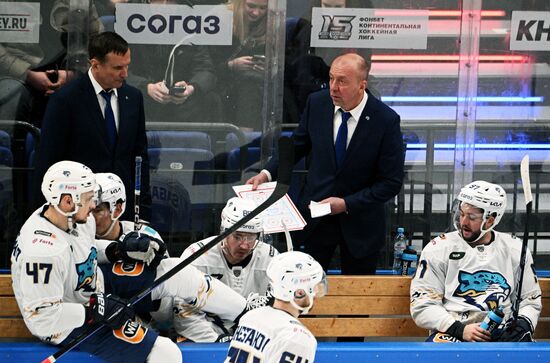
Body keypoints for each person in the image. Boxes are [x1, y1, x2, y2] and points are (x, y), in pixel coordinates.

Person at [247, 53, 404, 274]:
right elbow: (296, 146)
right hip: (316, 219)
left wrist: (346, 204)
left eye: (342, 81)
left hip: (360, 225)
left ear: (362, 85)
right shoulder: (318, 103)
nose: (333, 87)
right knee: (303, 294)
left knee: (354, 302)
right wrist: (266, 173)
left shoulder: (386, 120)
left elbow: (390, 182)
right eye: (331, 78)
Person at [10, 160, 181, 362]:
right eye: (90, 198)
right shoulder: (41, 253)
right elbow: (43, 318)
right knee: (166, 352)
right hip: (66, 325)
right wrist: (93, 310)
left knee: (174, 274)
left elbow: (83, 249)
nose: (93, 205)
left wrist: (116, 250)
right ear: (67, 201)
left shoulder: (71, 217)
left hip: (89, 293)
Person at [91, 172, 258, 343]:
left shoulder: (146, 235)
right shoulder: (76, 234)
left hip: (143, 319)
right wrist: (118, 250)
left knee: (173, 272)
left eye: (96, 210)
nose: (89, 217)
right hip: (94, 309)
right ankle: (246, 309)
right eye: (88, 208)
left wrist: (149, 260)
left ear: (117, 209)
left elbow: (165, 307)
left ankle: (247, 311)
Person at [33, 31, 151, 222]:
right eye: (118, 67)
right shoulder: (65, 100)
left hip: (122, 212)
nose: (125, 74)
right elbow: (49, 161)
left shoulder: (133, 98)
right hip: (79, 212)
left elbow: (140, 157)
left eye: (127, 66)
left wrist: (143, 210)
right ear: (95, 64)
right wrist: (48, 217)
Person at [410, 180, 542, 342]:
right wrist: (459, 329)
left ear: (490, 220)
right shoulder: (438, 248)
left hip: (502, 330)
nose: (463, 222)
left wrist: (523, 323)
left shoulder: (515, 249)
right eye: (461, 214)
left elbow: (530, 299)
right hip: (453, 331)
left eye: (472, 217)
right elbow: (423, 304)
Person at [176, 196, 279, 342]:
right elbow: (183, 312)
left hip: (253, 337)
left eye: (251, 237)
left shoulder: (271, 258)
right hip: (205, 338)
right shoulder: (197, 257)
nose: (244, 245)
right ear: (224, 232)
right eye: (237, 236)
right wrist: (215, 340)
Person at [126, 0, 221, 125]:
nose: (165, 6)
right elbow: (120, 70)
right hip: (143, 94)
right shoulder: (131, 24)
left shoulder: (190, 28)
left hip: (181, 98)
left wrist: (190, 88)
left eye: (171, 1)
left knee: (211, 99)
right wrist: (147, 87)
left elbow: (206, 69)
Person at [225, 251, 327, 363]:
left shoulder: (251, 316)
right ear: (299, 292)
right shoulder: (298, 338)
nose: (317, 292)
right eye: (315, 286)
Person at [213, 0, 268, 129]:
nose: (256, 13)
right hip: (221, 81)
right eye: (251, 6)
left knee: (251, 85)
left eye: (263, 8)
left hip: (253, 83)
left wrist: (266, 67)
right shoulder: (219, 19)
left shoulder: (271, 25)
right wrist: (231, 65)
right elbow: (205, 66)